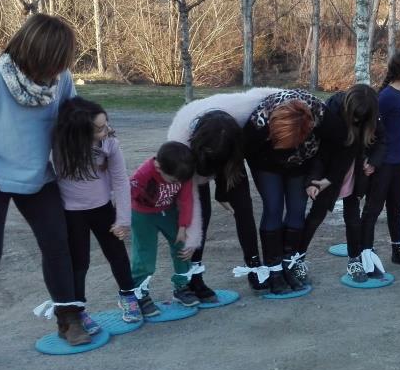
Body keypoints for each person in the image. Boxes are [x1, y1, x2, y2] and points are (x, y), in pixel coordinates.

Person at [0, 13, 84, 370]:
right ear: (36, 53)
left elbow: (71, 124)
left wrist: (93, 136)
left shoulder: (60, 80)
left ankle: (68, 318)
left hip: (38, 177)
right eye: (55, 60)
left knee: (58, 245)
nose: (59, 69)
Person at [166, 87, 281, 297]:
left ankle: (254, 266)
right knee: (201, 214)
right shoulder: (179, 143)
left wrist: (223, 190)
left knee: (243, 208)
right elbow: (191, 208)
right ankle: (193, 275)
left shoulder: (242, 110)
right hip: (194, 158)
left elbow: (265, 94)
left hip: (230, 152)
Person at [53, 97, 141, 330]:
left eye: (106, 124)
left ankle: (128, 295)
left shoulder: (109, 143)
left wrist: (123, 219)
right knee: (79, 262)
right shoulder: (59, 145)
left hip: (102, 209)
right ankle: (78, 309)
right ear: (79, 133)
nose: (107, 130)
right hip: (72, 213)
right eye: (100, 128)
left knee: (117, 254)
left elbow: (121, 180)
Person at [241, 89, 326, 295]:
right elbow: (244, 152)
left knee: (297, 209)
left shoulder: (320, 115)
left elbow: (326, 150)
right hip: (266, 163)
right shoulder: (258, 122)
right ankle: (274, 269)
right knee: (273, 207)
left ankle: (288, 264)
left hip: (300, 163)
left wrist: (314, 178)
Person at [300, 84, 387, 283]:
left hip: (353, 174)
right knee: (315, 216)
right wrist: (313, 180)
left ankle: (354, 259)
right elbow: (320, 153)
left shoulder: (371, 114)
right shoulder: (331, 112)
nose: (357, 121)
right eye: (354, 117)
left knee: (353, 218)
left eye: (361, 118)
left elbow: (382, 140)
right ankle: (298, 257)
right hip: (329, 175)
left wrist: (373, 161)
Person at [363, 52, 400, 269]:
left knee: (396, 209)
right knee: (373, 209)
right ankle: (365, 253)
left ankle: (398, 251)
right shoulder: (386, 97)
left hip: (397, 162)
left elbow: (398, 130)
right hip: (383, 164)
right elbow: (372, 130)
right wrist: (369, 159)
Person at [129, 141, 197, 315]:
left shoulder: (183, 172)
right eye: (173, 180)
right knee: (145, 255)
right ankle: (140, 294)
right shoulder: (143, 174)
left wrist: (183, 226)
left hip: (168, 211)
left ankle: (181, 286)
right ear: (159, 167)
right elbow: (126, 195)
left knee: (182, 247)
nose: (177, 183)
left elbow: (186, 200)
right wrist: (120, 219)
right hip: (143, 215)